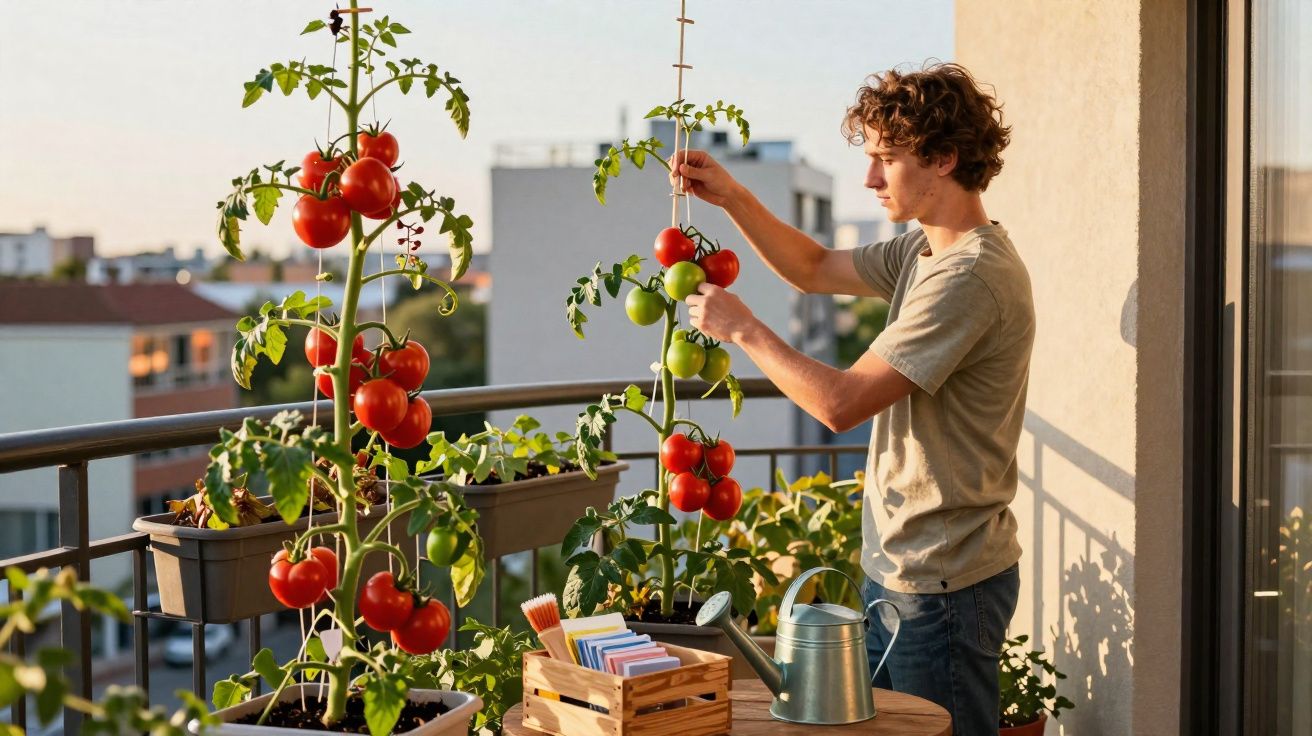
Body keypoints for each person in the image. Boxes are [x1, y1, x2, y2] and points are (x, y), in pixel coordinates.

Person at [675, 62, 1033, 736]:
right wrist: (732, 197)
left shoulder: (970, 277)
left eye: (886, 159)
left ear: (944, 159)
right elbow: (812, 268)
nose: (869, 179)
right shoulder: (922, 252)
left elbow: (840, 404)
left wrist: (744, 330)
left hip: (944, 586)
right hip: (903, 571)